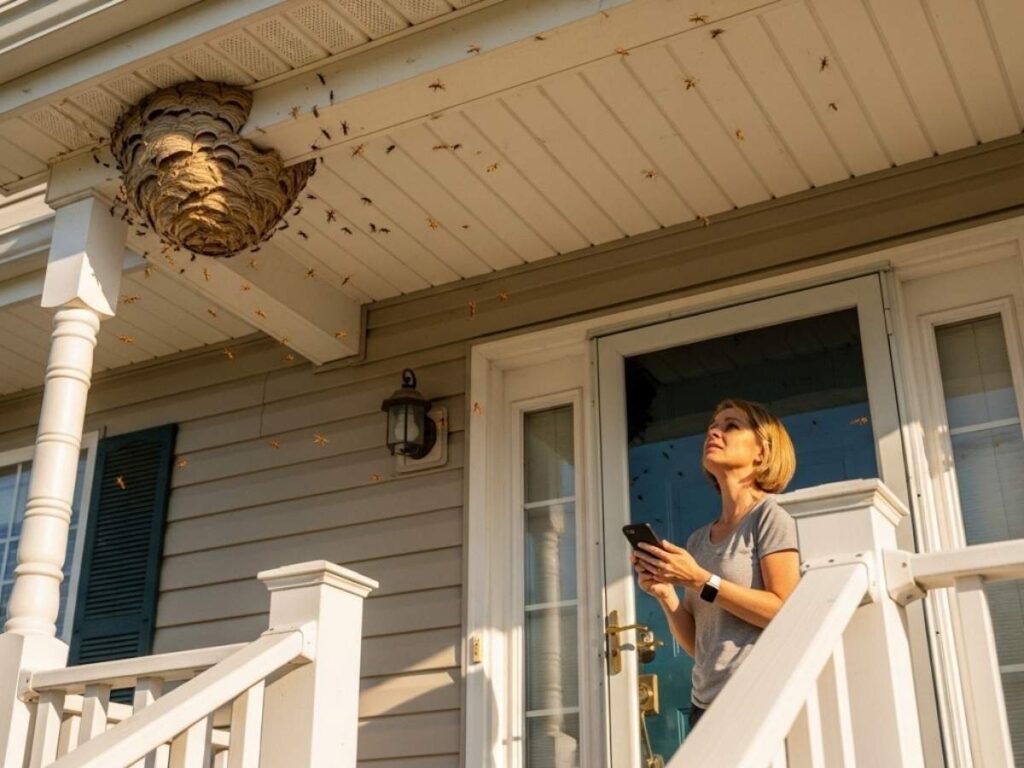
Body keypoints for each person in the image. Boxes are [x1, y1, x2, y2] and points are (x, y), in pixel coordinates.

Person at [631, 398, 801, 733]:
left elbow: (785, 611)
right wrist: (666, 594)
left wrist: (699, 580)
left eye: (731, 425)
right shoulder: (698, 540)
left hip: (755, 700)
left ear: (762, 453)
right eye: (713, 425)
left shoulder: (771, 517)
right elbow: (701, 646)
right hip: (705, 706)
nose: (714, 431)